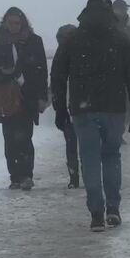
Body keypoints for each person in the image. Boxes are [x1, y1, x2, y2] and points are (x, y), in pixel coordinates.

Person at [51, 0, 130, 232]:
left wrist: (60, 109)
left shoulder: (73, 40)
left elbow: (58, 75)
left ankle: (96, 213)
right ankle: (113, 208)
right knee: (111, 156)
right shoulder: (121, 40)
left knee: (90, 159)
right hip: (113, 108)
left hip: (83, 109)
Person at [0, 7, 49, 191]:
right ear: (4, 23)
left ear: (23, 24)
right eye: (10, 23)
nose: (14, 27)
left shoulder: (34, 41)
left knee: (25, 137)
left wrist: (42, 96)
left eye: (17, 23)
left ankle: (27, 175)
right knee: (10, 138)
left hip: (28, 95)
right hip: (6, 95)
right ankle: (15, 176)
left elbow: (42, 70)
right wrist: (3, 72)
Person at [51, 24, 80, 188]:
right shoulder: (66, 56)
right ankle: (81, 176)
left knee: (72, 145)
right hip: (77, 108)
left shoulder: (61, 56)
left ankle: (74, 178)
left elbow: (56, 83)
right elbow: (56, 84)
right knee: (83, 145)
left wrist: (59, 109)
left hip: (75, 108)